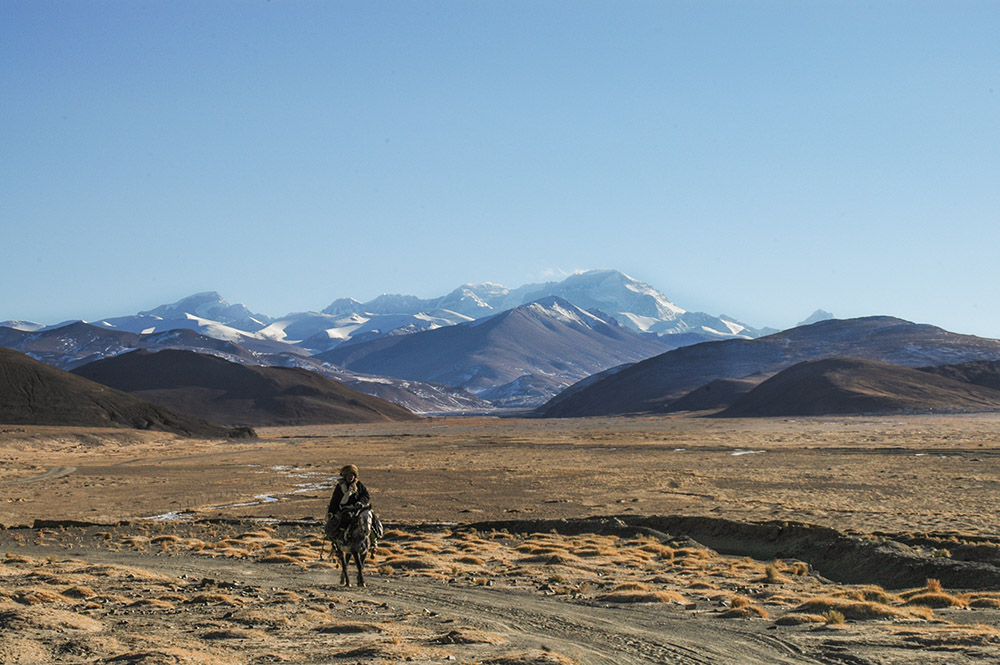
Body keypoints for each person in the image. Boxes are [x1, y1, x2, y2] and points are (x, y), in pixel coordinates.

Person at [326, 464, 372, 541]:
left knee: (370, 519)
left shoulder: (358, 485)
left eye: (352, 475)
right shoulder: (340, 487)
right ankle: (341, 540)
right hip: (345, 510)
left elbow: (366, 495)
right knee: (342, 520)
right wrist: (331, 511)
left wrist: (360, 503)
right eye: (349, 475)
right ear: (345, 477)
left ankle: (374, 540)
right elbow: (335, 500)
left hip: (358, 508)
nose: (351, 477)